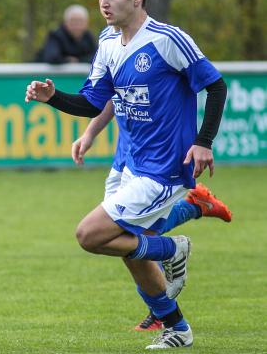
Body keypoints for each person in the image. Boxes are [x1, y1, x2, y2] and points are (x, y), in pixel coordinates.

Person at [25, 0, 227, 350]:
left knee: (90, 234)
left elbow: (215, 87)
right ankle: (177, 329)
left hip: (164, 169)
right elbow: (92, 101)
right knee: (129, 249)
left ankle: (172, 247)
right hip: (130, 164)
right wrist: (53, 99)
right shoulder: (106, 42)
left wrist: (204, 141)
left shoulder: (168, 39)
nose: (104, 2)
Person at [73, 96, 232, 332]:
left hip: (154, 160)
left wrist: (204, 140)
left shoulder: (169, 59)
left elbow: (214, 85)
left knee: (113, 236)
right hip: (126, 159)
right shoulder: (114, 60)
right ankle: (193, 207)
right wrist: (90, 133)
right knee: (127, 239)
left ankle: (167, 314)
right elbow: (112, 93)